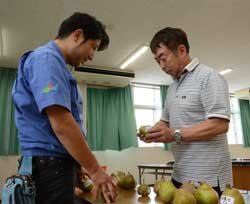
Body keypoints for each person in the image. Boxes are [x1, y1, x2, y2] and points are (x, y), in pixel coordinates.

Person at [12, 12, 117, 204]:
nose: (92, 56)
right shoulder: (46, 59)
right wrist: (95, 170)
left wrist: (76, 165)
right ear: (77, 35)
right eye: (92, 47)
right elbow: (61, 124)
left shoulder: (57, 66)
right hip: (50, 166)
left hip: (53, 165)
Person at [139, 27, 232, 195]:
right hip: (180, 174)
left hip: (207, 179)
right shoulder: (172, 88)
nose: (161, 65)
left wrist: (174, 134)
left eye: (163, 58)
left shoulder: (209, 77)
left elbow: (219, 125)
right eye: (157, 61)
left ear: (181, 50)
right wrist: (153, 132)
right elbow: (165, 122)